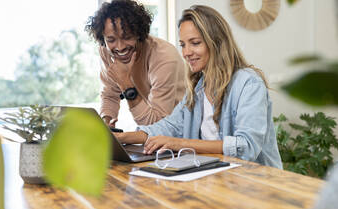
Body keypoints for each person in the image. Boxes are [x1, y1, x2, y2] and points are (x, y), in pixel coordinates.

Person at [115, 5, 282, 168]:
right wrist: (120, 138)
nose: (186, 52)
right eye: (183, 44)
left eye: (194, 43)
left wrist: (178, 144)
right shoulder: (198, 88)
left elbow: (246, 147)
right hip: (215, 180)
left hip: (255, 185)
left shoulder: (248, 84)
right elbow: (168, 127)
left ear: (216, 42)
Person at [85, 0, 185, 127]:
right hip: (153, 132)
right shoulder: (106, 51)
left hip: (181, 130)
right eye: (111, 40)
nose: (120, 47)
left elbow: (155, 125)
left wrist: (126, 85)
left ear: (139, 33)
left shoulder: (164, 56)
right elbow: (110, 94)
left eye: (127, 37)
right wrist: (106, 123)